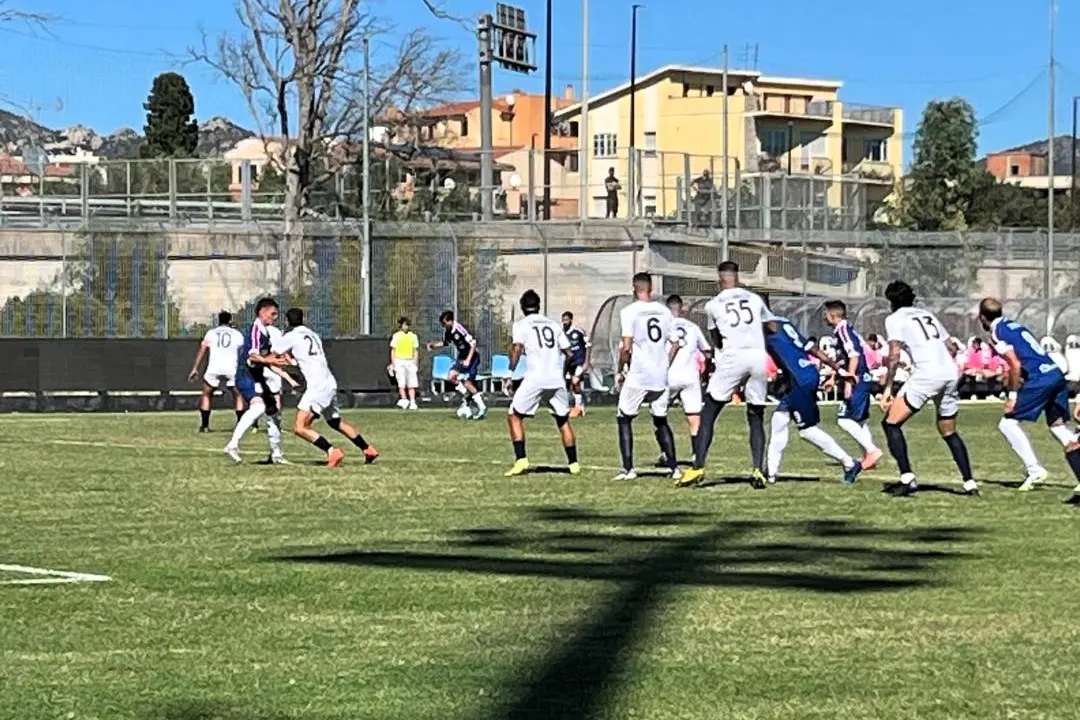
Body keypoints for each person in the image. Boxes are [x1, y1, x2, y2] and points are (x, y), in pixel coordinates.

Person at [678, 261, 772, 489]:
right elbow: (771, 326)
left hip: (733, 357)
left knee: (709, 411)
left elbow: (716, 339)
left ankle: (698, 465)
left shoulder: (713, 305)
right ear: (737, 277)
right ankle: (758, 469)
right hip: (758, 356)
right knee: (755, 414)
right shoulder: (754, 298)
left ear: (719, 279)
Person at [879, 281, 978, 496]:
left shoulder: (895, 319)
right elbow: (951, 346)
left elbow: (894, 353)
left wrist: (888, 388)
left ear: (891, 302)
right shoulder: (927, 315)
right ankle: (970, 483)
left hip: (927, 374)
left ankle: (907, 478)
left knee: (890, 424)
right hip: (950, 373)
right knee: (948, 431)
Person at [979, 298, 1080, 501]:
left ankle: (1035, 470)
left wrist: (1012, 396)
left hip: (1040, 378)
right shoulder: (1014, 325)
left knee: (1007, 423)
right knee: (1057, 426)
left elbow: (1015, 365)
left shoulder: (997, 333)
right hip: (1055, 373)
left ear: (982, 317)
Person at [272, 308, 379, 467]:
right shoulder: (313, 334)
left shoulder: (291, 336)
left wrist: (259, 359)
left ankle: (332, 451)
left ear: (287, 322)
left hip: (317, 386)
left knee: (299, 427)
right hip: (329, 381)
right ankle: (368, 449)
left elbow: (274, 353)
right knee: (335, 422)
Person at [763, 316, 863, 486]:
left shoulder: (765, 327)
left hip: (799, 379)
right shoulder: (784, 323)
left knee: (807, 430)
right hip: (805, 375)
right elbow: (813, 349)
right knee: (779, 420)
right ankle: (771, 472)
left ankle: (849, 463)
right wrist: (837, 368)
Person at [504, 290, 580, 477]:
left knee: (514, 415)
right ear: (539, 306)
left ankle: (521, 460)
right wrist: (565, 373)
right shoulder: (554, 325)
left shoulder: (521, 325)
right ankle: (574, 464)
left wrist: (509, 373)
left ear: (522, 307)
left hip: (535, 378)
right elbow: (569, 353)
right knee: (562, 419)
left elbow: (517, 348)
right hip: (555, 378)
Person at [614, 272, 679, 481]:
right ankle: (674, 467)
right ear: (650, 289)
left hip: (639, 374)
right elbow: (675, 342)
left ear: (634, 289)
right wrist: (665, 363)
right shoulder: (664, 311)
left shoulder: (629, 311)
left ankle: (628, 469)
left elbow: (626, 346)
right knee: (660, 420)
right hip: (660, 375)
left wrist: (620, 369)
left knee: (624, 417)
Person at [224, 298, 289, 464]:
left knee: (274, 412)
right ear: (262, 312)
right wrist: (272, 361)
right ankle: (232, 444)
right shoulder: (255, 330)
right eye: (272, 314)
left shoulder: (265, 332)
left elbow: (264, 360)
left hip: (258, 376)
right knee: (259, 406)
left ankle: (276, 454)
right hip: (246, 375)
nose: (274, 317)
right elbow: (253, 356)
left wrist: (287, 377)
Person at [822, 300, 882, 469]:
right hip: (863, 377)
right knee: (860, 421)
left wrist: (849, 380)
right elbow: (845, 358)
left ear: (833, 316)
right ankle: (869, 458)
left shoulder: (843, 330)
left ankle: (871, 450)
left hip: (858, 378)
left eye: (825, 314)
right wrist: (834, 377)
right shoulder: (844, 329)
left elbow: (854, 355)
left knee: (844, 420)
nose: (824, 317)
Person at [663, 295, 711, 465]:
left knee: (660, 415)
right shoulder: (693, 327)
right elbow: (707, 352)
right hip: (690, 377)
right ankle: (696, 453)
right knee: (694, 417)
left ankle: (666, 452)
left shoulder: (664, 325)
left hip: (669, 376)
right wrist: (705, 373)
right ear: (681, 308)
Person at [188, 311, 244, 433]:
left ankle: (205, 425)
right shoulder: (237, 334)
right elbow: (241, 352)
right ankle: (240, 425)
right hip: (231, 368)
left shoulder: (211, 333)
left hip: (214, 367)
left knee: (207, 394)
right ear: (230, 321)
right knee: (238, 395)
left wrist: (195, 368)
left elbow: (202, 350)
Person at [426, 311, 487, 419]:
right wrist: (433, 345)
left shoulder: (460, 329)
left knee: (468, 382)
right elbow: (446, 343)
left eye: (444, 323)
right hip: (462, 357)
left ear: (450, 321)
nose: (443, 326)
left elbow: (473, 344)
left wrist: (468, 359)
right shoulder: (448, 331)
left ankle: (482, 407)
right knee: (451, 376)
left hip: (472, 357)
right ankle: (467, 395)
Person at [561, 311, 591, 416]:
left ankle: (579, 407)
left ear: (571, 320)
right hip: (569, 363)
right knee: (569, 385)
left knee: (575, 381)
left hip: (579, 361)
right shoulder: (561, 333)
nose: (564, 322)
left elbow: (588, 346)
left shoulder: (578, 332)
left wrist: (586, 362)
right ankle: (577, 404)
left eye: (566, 320)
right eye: (563, 320)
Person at [389, 316, 420, 410]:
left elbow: (415, 351)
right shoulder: (396, 336)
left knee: (412, 383)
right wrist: (393, 363)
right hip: (399, 360)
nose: (406, 327)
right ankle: (404, 399)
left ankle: (412, 402)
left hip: (410, 361)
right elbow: (393, 350)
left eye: (407, 325)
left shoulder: (413, 336)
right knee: (401, 383)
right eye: (404, 325)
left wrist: (415, 363)